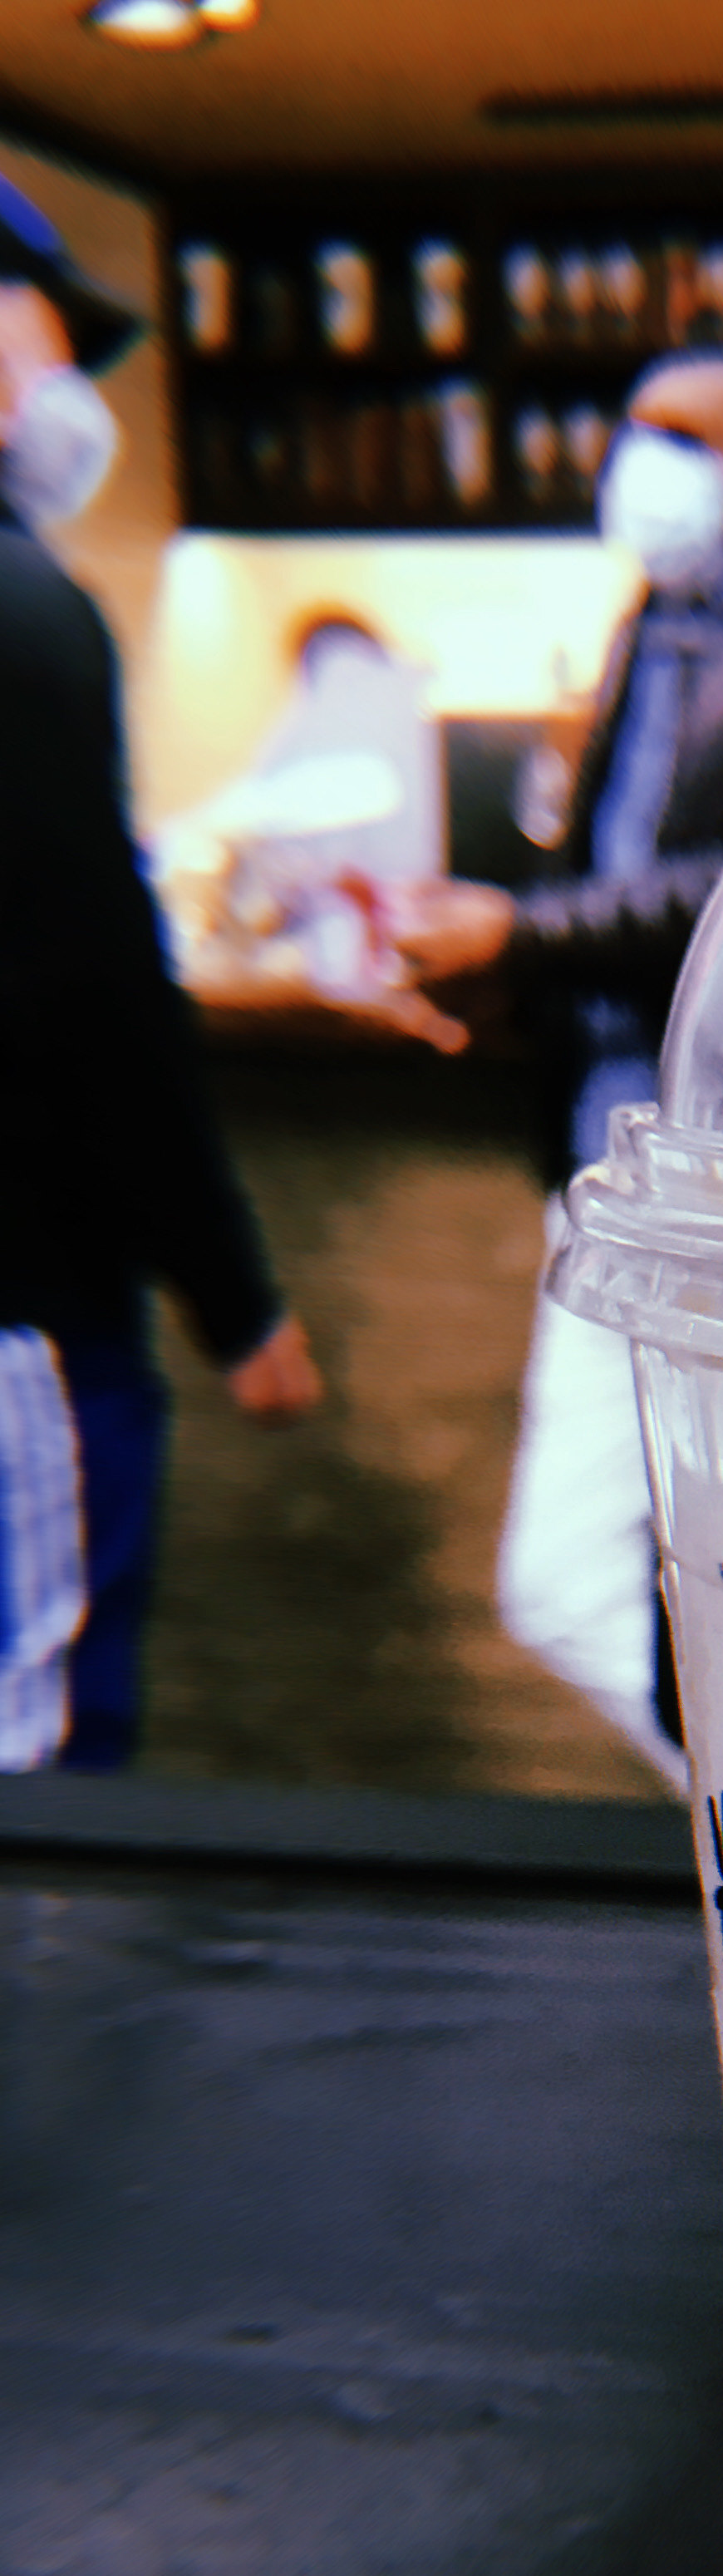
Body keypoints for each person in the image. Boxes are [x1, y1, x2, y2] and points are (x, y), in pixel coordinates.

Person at [389, 351, 723, 1784]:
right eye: (636, 430)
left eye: (686, 439)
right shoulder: (649, 633)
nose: (640, 464)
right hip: (606, 1162)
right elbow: (621, 883)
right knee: (568, 1584)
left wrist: (520, 932)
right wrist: (504, 980)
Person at [0, 180, 321, 1776]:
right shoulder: (24, 611)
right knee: (42, 1764)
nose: (68, 388)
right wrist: (236, 1297)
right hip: (25, 1311)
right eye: (47, 339)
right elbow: (95, 989)